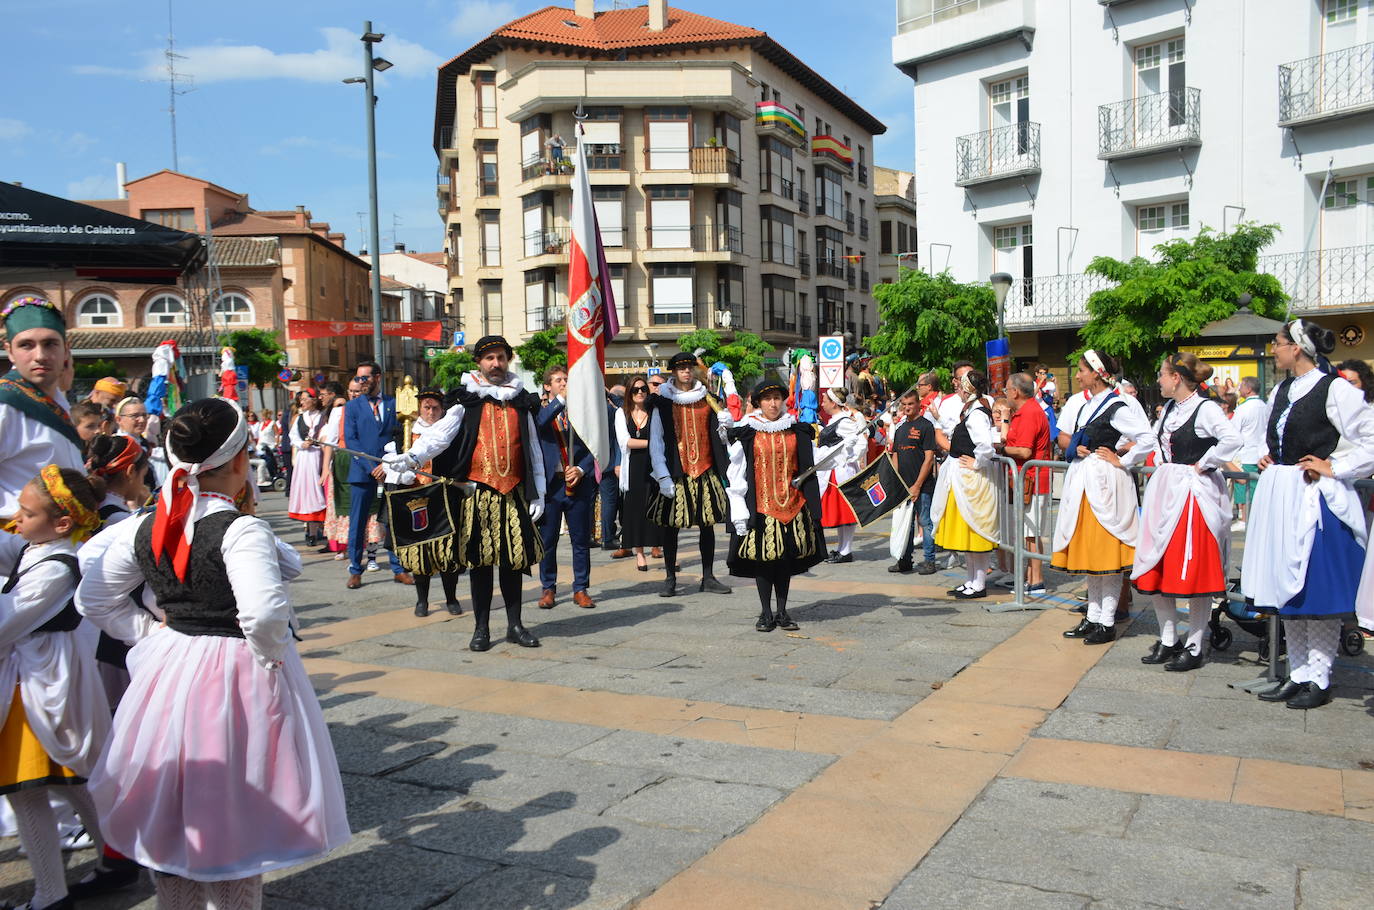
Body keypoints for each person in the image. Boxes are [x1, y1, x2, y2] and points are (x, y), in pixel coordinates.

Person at [75, 398, 350, 906]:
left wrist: (150, 636)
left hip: (170, 665)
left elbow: (93, 597)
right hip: (233, 670)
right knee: (236, 815)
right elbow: (264, 614)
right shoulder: (238, 529)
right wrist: (270, 659)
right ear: (242, 460)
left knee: (174, 813)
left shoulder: (146, 524)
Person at [1243, 320, 1374, 709]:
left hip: (1314, 498)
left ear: (1297, 348)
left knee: (1314, 590)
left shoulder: (1333, 388)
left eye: (1278, 343)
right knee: (1288, 585)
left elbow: (1370, 436)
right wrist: (1266, 456)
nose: (1274, 349)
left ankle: (1319, 676)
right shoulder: (1282, 389)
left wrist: (1335, 465)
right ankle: (1298, 672)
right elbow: (1268, 438)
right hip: (1282, 492)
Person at [1, 466, 113, 910]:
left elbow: (5, 624)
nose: (16, 519)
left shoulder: (57, 568)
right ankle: (117, 860)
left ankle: (50, 894)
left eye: (27, 514)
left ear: (62, 522)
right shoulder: (40, 547)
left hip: (40, 687)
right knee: (73, 782)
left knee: (27, 789)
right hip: (39, 682)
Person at [393, 335, 546, 652]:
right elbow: (439, 436)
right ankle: (481, 629)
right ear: (479, 362)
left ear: (507, 361)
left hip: (514, 493)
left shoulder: (521, 401)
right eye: (489, 358)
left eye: (501, 357)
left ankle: (515, 625)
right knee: (480, 564)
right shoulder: (468, 400)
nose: (496, 364)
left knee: (513, 563)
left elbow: (532, 449)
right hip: (478, 494)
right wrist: (412, 457)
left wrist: (538, 493)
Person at [1131, 354, 1241, 671]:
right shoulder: (1169, 409)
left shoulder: (1204, 408)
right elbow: (1152, 442)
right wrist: (1124, 460)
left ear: (1176, 377)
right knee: (1158, 563)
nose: (1158, 381)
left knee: (1193, 572)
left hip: (1193, 494)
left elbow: (1233, 438)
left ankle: (1194, 645)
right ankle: (1169, 640)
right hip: (1166, 491)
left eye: (1162, 375)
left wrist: (1205, 463)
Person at [1054, 350, 1157, 645]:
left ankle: (1107, 620)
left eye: (1082, 370)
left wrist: (1121, 459)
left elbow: (1146, 437)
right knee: (1092, 556)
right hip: (1087, 482)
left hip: (1105, 484)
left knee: (1106, 555)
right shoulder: (1090, 404)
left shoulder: (1117, 404)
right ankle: (1094, 616)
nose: (1077, 375)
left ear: (1097, 373)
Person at [725, 379, 824, 632]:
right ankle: (765, 613)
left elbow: (810, 465)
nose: (773, 403)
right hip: (761, 506)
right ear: (758, 402)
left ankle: (782, 612)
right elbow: (737, 470)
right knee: (764, 560)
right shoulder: (748, 431)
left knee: (784, 562)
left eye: (777, 398)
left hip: (792, 504)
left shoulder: (796, 429)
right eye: (767, 399)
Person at [647, 351, 733, 597]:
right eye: (681, 368)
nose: (686, 371)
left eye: (689, 367)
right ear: (673, 371)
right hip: (676, 472)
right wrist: (662, 474)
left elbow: (721, 439)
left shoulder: (708, 399)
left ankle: (708, 576)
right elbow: (656, 440)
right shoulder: (662, 402)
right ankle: (670, 577)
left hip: (704, 469)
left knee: (707, 526)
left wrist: (726, 425)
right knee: (671, 526)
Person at [0, 295, 86, 518]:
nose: (40, 356)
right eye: (26, 345)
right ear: (9, 351)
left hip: (66, 534)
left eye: (50, 344)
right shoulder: (5, 404)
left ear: (66, 349)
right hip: (17, 541)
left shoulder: (57, 399)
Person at [391, 387, 464, 618]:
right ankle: (422, 600)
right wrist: (400, 476)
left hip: (443, 499)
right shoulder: (404, 431)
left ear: (442, 410)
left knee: (446, 552)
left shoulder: (450, 432)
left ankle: (451, 598)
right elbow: (390, 462)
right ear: (419, 408)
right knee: (420, 552)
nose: (431, 412)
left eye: (435, 408)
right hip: (416, 499)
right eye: (426, 407)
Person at [343, 362, 412, 589]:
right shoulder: (353, 407)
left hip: (390, 471)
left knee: (394, 520)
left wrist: (388, 465)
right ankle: (355, 569)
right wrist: (370, 466)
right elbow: (351, 441)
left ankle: (398, 567)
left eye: (364, 378)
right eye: (358, 378)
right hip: (362, 472)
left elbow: (401, 436)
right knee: (358, 522)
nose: (360, 383)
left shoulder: (394, 403)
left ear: (377, 378)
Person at [931, 370, 1000, 599]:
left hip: (971, 482)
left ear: (968, 389)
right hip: (962, 481)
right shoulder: (969, 411)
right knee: (967, 532)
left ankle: (978, 583)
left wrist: (976, 463)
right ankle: (971, 580)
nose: (957, 390)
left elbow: (986, 446)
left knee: (974, 531)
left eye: (960, 387)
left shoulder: (977, 413)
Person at [535, 365, 597, 610]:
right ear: (547, 386)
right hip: (552, 487)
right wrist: (562, 399)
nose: (563, 383)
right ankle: (548, 587)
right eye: (558, 380)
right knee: (548, 541)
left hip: (577, 483)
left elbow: (595, 445)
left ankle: (580, 588)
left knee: (580, 540)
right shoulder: (540, 411)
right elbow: (542, 422)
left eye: (566, 379)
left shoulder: (581, 412)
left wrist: (581, 469)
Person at [998, 372, 1053, 596]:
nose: (1005, 393)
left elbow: (1024, 450)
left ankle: (1036, 580)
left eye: (1006, 389)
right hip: (1026, 478)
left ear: (1015, 391)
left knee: (1030, 531)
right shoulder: (1024, 411)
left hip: (1032, 479)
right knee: (1027, 531)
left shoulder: (1030, 412)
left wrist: (1000, 449)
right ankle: (1030, 578)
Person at [615, 375, 664, 572]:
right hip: (633, 467)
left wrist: (654, 445)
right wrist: (652, 444)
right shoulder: (621, 413)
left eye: (643, 389)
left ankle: (660, 547)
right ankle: (640, 554)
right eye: (635, 390)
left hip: (654, 466)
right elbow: (625, 441)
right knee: (635, 512)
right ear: (629, 393)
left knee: (656, 509)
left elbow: (662, 437)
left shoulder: (655, 412)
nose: (640, 393)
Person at [888, 388, 938, 575]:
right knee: (904, 525)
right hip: (903, 486)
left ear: (918, 405)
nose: (907, 408)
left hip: (922, 486)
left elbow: (929, 458)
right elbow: (896, 456)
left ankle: (929, 561)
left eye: (911, 404)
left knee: (925, 522)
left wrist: (917, 485)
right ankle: (904, 560)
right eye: (905, 404)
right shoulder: (900, 428)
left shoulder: (926, 426)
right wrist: (896, 482)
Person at [817, 389, 868, 564]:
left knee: (846, 512)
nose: (822, 403)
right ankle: (842, 548)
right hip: (831, 471)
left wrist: (847, 458)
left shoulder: (844, 422)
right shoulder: (835, 421)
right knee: (840, 513)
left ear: (833, 403)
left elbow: (861, 442)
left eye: (824, 400)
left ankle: (846, 550)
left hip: (841, 472)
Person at [288, 388, 328, 546]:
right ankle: (311, 532)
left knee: (322, 491)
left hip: (321, 455)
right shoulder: (300, 418)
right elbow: (293, 436)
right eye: (301, 400)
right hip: (305, 458)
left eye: (305, 399)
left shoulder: (323, 416)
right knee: (307, 492)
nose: (302, 402)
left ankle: (325, 530)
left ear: (314, 400)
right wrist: (301, 444)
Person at [1230, 376, 1269, 530]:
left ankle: (1244, 519)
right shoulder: (1265, 406)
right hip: (1261, 454)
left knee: (1243, 487)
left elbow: (1233, 432)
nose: (1239, 389)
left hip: (1246, 453)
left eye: (1241, 386)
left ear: (1248, 389)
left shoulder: (1242, 409)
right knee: (1257, 488)